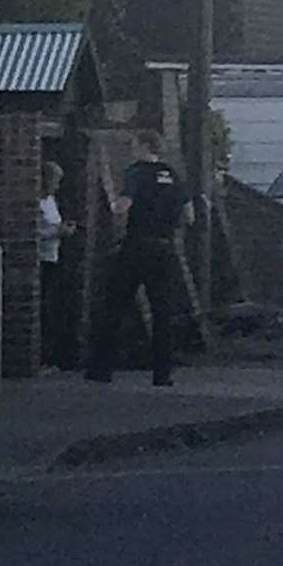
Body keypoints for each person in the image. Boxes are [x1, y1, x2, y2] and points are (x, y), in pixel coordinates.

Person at [85, 132, 191, 386]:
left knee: (114, 306)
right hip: (165, 249)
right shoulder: (172, 174)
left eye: (135, 145)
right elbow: (190, 216)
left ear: (144, 146)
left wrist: (113, 204)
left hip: (136, 248)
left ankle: (101, 369)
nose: (133, 149)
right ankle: (162, 374)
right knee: (162, 312)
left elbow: (123, 206)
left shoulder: (136, 172)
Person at [39, 161, 78, 370]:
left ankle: (50, 356)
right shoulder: (37, 203)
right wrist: (58, 231)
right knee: (44, 307)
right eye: (55, 181)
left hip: (53, 256)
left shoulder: (51, 200)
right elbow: (36, 232)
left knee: (53, 306)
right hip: (42, 258)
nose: (58, 186)